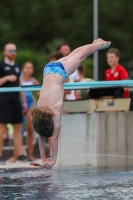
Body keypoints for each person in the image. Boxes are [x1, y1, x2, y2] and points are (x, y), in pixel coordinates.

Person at [31, 38, 111, 168]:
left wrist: (53, 160)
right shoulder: (39, 112)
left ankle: (99, 44)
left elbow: (54, 139)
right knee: (73, 55)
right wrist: (44, 158)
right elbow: (40, 135)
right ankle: (95, 43)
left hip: (60, 72)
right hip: (48, 69)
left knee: (81, 56)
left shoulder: (54, 113)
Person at [0, 43, 28, 162]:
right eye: (10, 51)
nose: (13, 53)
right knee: (2, 127)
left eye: (14, 51)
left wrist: (24, 101)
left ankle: (20, 154)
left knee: (18, 127)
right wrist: (6, 78)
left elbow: (19, 85)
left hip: (16, 99)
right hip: (4, 100)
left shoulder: (17, 66)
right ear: (5, 52)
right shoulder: (1, 66)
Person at [21, 62, 40, 161]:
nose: (29, 69)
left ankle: (30, 155)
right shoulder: (19, 80)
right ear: (22, 70)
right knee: (19, 130)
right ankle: (18, 154)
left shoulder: (33, 81)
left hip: (29, 104)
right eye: (27, 67)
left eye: (31, 67)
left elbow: (40, 91)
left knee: (30, 130)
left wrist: (38, 94)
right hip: (19, 104)